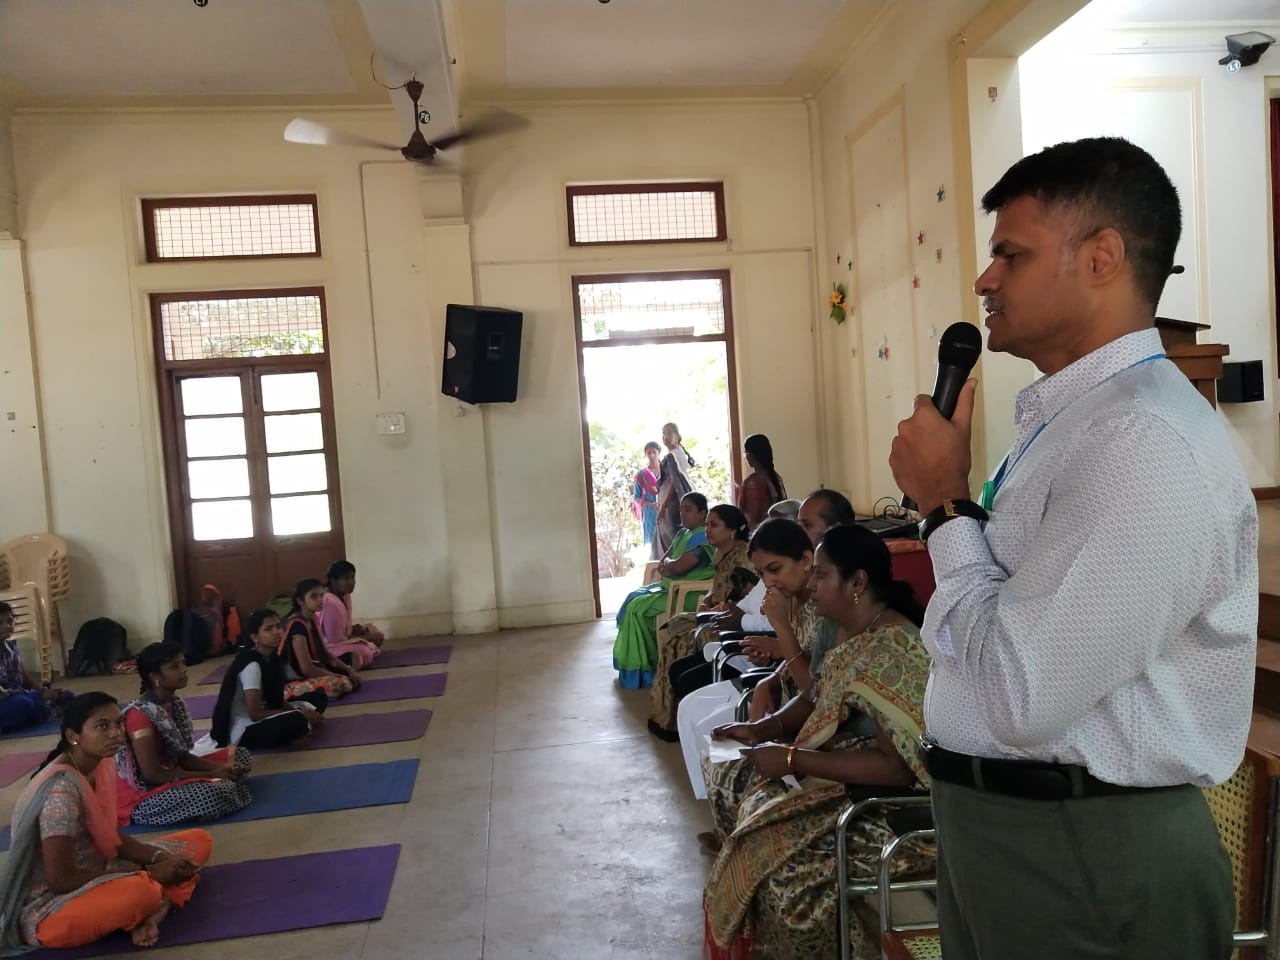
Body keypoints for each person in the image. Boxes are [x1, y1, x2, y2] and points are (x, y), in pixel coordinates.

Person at [888, 137, 1256, 960]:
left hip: (1084, 846)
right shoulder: (1077, 423)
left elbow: (1024, 694)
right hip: (1011, 830)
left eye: (1009, 255)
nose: (984, 280)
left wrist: (945, 504)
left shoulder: (1142, 439)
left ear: (1101, 258)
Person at [702, 524, 932, 960]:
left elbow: (897, 768)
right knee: (734, 773)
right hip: (851, 775)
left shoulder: (894, 647)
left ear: (857, 583)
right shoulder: (853, 633)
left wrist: (791, 758)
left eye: (821, 574)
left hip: (896, 807)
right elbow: (814, 697)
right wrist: (761, 730)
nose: (811, 584)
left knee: (785, 876)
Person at [0, 692, 213, 951]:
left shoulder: (99, 767)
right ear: (73, 736)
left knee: (197, 842)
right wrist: (146, 872)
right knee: (142, 893)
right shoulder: (60, 793)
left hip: (102, 867)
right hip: (54, 904)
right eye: (102, 726)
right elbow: (60, 879)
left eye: (117, 723)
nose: (116, 733)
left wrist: (159, 858)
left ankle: (151, 909)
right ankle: (155, 904)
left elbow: (111, 837)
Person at [647, 504, 758, 740]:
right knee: (673, 627)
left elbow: (747, 598)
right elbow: (717, 587)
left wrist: (721, 607)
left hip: (730, 621)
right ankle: (668, 717)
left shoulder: (743, 556)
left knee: (681, 641)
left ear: (732, 531)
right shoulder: (721, 553)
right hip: (713, 612)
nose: (707, 529)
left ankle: (680, 718)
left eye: (714, 524)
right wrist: (709, 601)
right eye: (707, 524)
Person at [114, 643, 252, 827]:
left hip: (173, 771)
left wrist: (223, 768)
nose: (184, 670)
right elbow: (152, 775)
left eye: (182, 664)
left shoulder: (173, 704)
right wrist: (211, 772)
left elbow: (183, 757)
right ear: (155, 677)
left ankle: (221, 780)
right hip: (144, 792)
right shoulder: (140, 716)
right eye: (174, 667)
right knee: (216, 792)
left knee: (240, 756)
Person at [613, 493, 713, 689]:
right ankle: (645, 665)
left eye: (688, 510)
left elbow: (677, 567)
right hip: (670, 588)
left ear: (702, 514)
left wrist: (669, 566)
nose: (683, 514)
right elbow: (664, 562)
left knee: (637, 610)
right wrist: (669, 565)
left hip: (689, 594)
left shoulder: (703, 536)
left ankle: (648, 667)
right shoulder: (683, 534)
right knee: (632, 600)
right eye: (681, 509)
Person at [209, 608, 327, 750]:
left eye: (278, 626)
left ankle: (300, 727)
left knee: (318, 698)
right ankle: (299, 728)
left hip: (266, 713)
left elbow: (276, 701)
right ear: (254, 637)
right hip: (245, 729)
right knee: (297, 719)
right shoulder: (251, 665)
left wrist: (300, 710)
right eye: (268, 629)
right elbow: (255, 714)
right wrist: (300, 714)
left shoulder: (272, 658)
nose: (277, 632)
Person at [280, 578, 360, 701]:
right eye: (313, 596)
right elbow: (307, 669)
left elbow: (325, 653)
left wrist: (348, 671)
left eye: (321, 595)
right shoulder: (297, 626)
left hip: (314, 667)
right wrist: (337, 676)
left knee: (352, 664)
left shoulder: (312, 619)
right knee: (339, 683)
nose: (320, 600)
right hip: (292, 680)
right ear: (300, 601)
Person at [0, 601, 72, 734]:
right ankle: (40, 711)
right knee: (22, 705)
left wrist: (43, 690)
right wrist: (36, 696)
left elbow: (24, 678)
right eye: (0, 623)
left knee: (66, 696)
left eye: (10, 621)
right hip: (7, 701)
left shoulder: (10, 646)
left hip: (19, 696)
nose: (7, 626)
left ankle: (39, 712)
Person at [318, 560, 384, 670]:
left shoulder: (346, 596)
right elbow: (335, 640)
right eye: (346, 579)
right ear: (333, 581)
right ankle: (339, 662)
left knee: (375, 633)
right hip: (328, 648)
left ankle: (351, 659)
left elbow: (346, 630)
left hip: (341, 641)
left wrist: (363, 631)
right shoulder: (330, 602)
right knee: (366, 652)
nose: (351, 582)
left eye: (353, 577)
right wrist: (364, 639)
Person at [652, 422, 696, 559]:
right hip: (669, 504)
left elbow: (674, 482)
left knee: (673, 539)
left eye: (669, 433)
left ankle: (672, 567)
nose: (666, 436)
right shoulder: (675, 453)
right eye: (663, 433)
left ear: (677, 436)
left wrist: (664, 506)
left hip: (672, 505)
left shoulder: (674, 456)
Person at [737, 434, 786, 528]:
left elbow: (750, 520)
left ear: (750, 455)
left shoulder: (752, 482)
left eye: (745, 454)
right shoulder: (777, 478)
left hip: (761, 535)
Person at [632, 442, 662, 548]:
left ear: (659, 453)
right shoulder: (641, 474)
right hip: (651, 514)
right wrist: (651, 504)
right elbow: (636, 497)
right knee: (655, 545)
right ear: (646, 455)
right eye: (649, 453)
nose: (652, 455)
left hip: (667, 510)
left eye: (654, 452)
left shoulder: (666, 470)